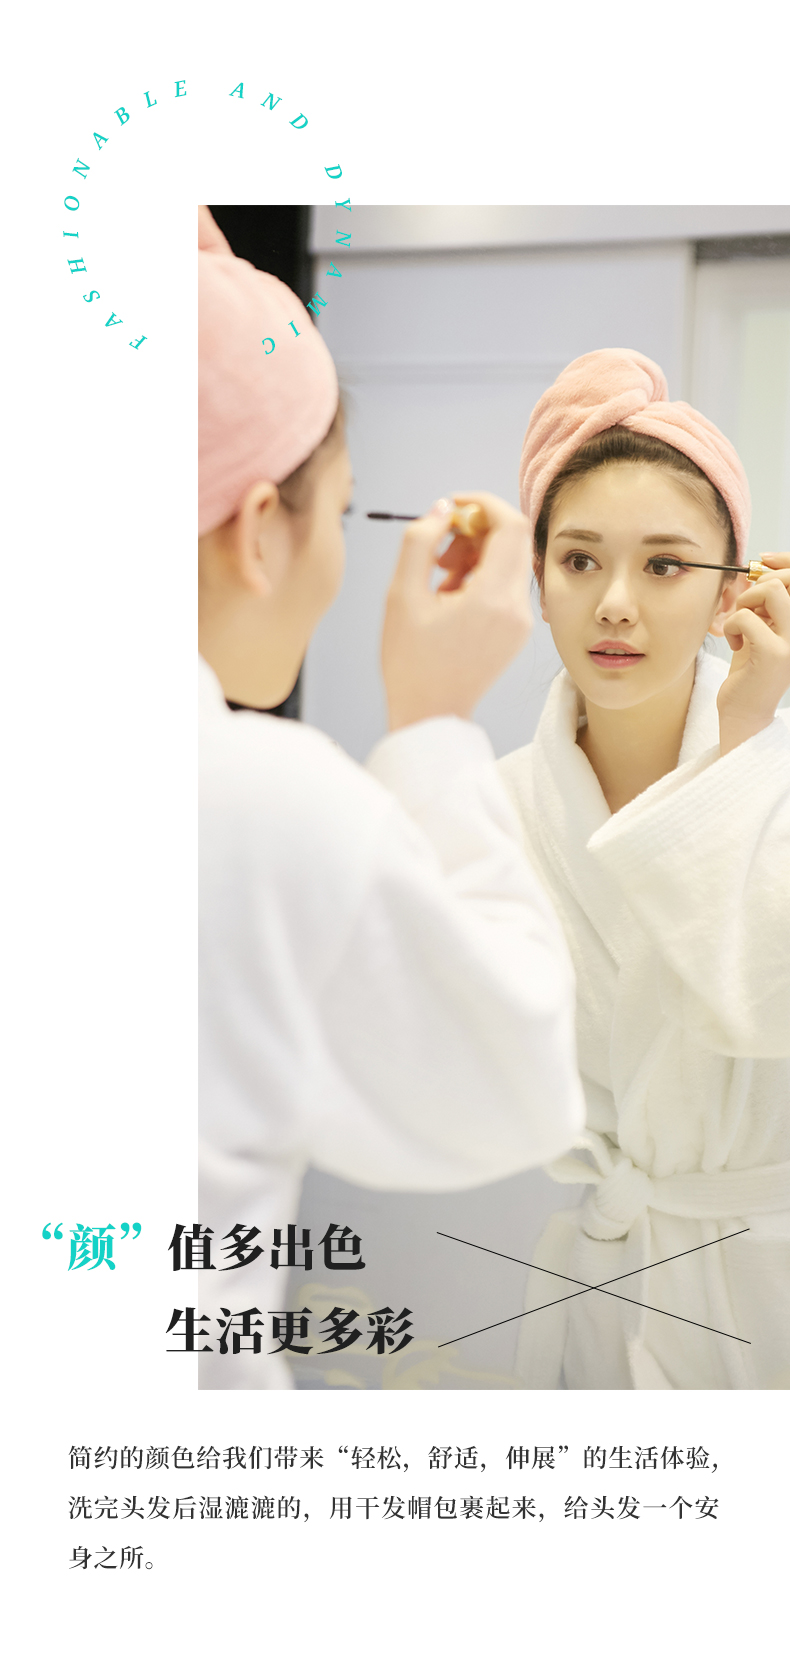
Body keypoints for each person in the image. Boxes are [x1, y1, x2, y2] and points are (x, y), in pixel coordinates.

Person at [196, 207, 585, 1388]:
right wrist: (430, 723)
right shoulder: (255, 799)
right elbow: (515, 1082)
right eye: (341, 507)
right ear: (258, 530)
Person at [491, 347, 790, 1391]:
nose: (615, 603)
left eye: (664, 566)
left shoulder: (779, 783)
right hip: (605, 1279)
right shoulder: (495, 808)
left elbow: (762, 1005)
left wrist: (744, 751)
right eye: (579, 561)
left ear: (732, 594)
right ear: (538, 582)